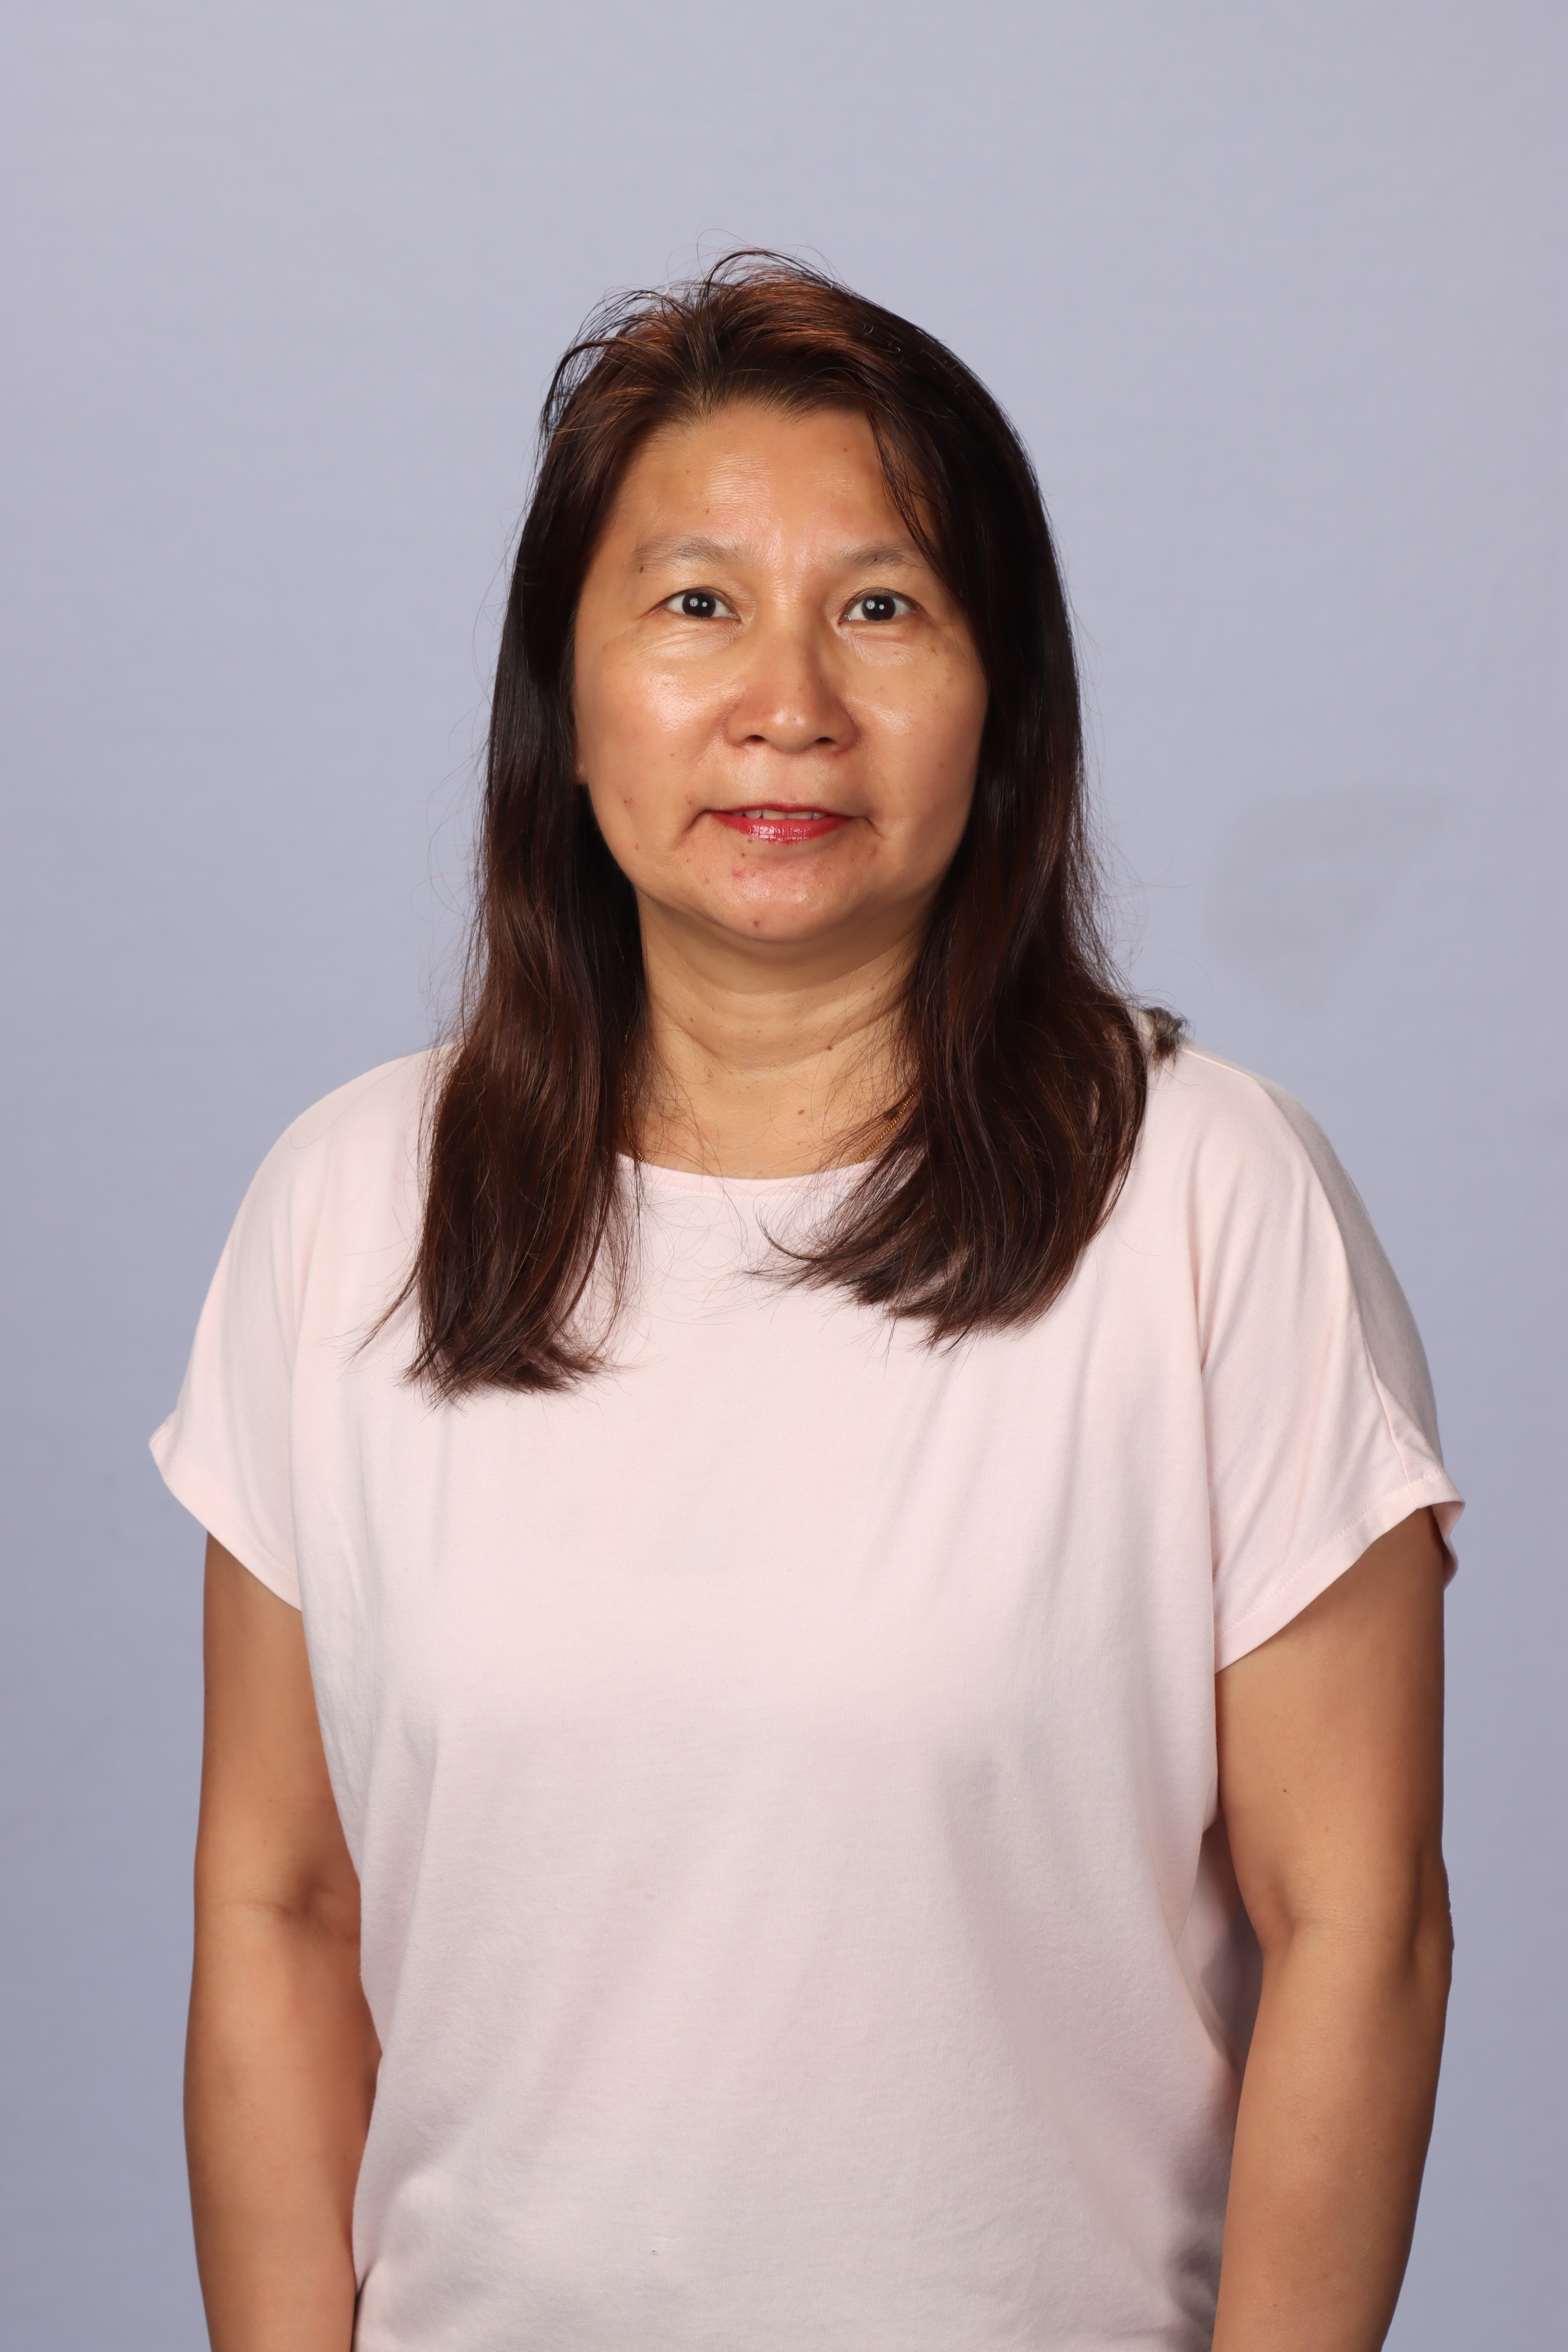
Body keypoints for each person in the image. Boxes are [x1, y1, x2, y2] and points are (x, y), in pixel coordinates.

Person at [152, 256, 1462, 2352]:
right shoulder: (348, 1210)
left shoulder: (1206, 1199)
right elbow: (280, 1907)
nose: (788, 704)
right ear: (564, 696)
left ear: (1001, 699)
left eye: (882, 608)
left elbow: (1358, 1930)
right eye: (695, 604)